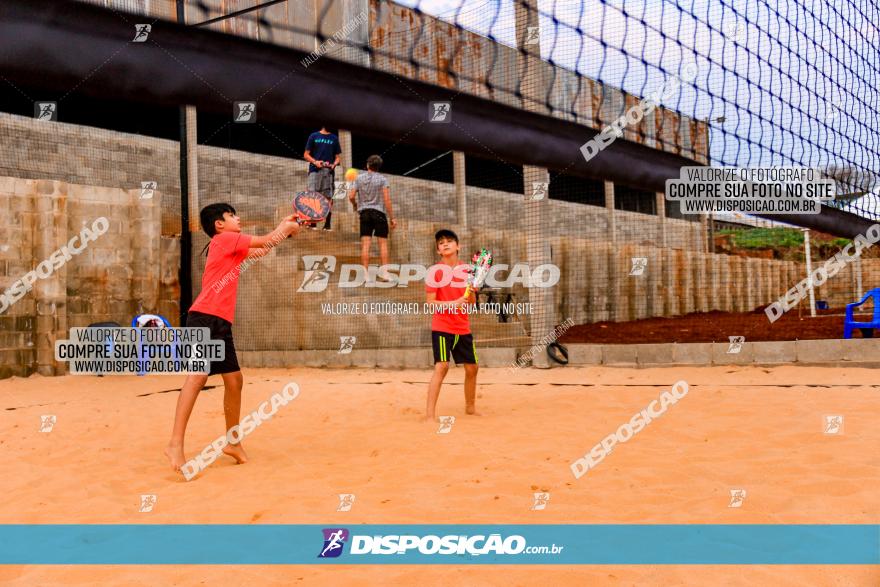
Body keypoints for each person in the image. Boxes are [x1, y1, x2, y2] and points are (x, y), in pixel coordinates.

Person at [165, 203, 300, 475]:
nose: (238, 218)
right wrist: (283, 228)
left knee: (235, 380)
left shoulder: (231, 245)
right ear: (219, 224)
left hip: (220, 322)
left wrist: (284, 232)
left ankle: (233, 441)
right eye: (232, 215)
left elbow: (262, 249)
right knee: (197, 378)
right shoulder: (224, 239)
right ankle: (175, 444)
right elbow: (265, 239)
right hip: (204, 318)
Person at [424, 229, 479, 421]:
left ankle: (470, 408)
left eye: (449, 241)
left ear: (458, 246)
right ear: (438, 250)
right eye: (441, 243)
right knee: (442, 367)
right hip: (442, 326)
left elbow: (471, 301)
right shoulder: (434, 271)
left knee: (472, 368)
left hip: (462, 327)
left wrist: (471, 291)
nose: (445, 244)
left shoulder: (468, 270)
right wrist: (453, 303)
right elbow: (430, 303)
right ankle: (430, 416)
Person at [348, 154, 397, 281]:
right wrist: (392, 217)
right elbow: (387, 200)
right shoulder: (382, 179)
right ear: (379, 167)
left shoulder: (359, 178)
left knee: (365, 245)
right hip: (379, 214)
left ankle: (365, 275)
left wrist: (355, 206)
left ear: (368, 165)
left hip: (364, 213)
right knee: (383, 245)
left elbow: (351, 196)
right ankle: (385, 274)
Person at [303, 125, 341, 230]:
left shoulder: (334, 138)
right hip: (314, 170)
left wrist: (334, 164)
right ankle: (312, 223)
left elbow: (338, 158)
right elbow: (306, 155)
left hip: (328, 171)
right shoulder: (314, 136)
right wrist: (315, 162)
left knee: (328, 197)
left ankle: (327, 224)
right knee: (312, 195)